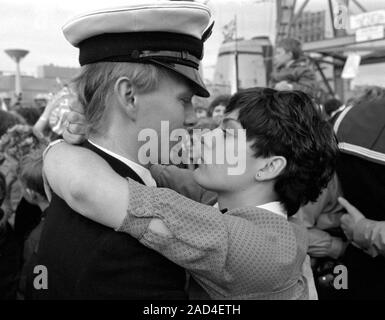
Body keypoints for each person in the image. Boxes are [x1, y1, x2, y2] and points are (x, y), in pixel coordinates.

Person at [44, 88, 338, 299]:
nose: (205, 137)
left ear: (270, 166)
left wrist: (56, 148)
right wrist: (103, 131)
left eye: (227, 134)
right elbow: (154, 169)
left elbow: (86, 189)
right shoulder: (236, 204)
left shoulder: (254, 249)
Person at [27, 2, 214, 300]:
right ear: (129, 97)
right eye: (184, 100)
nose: (193, 118)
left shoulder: (78, 184)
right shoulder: (129, 246)